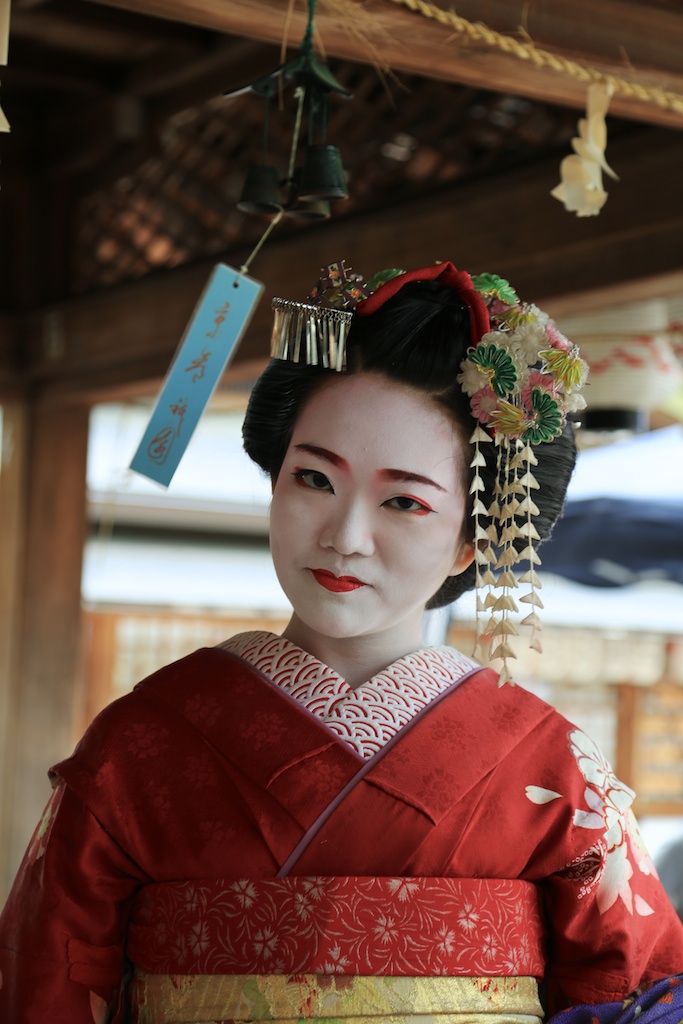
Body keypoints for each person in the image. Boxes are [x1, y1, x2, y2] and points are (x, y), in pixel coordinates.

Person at [1, 259, 682, 1024]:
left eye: (403, 501)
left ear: (471, 539)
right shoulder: (139, 744)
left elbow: (635, 990)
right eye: (314, 480)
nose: (346, 537)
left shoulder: (550, 764)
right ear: (273, 482)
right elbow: (43, 987)